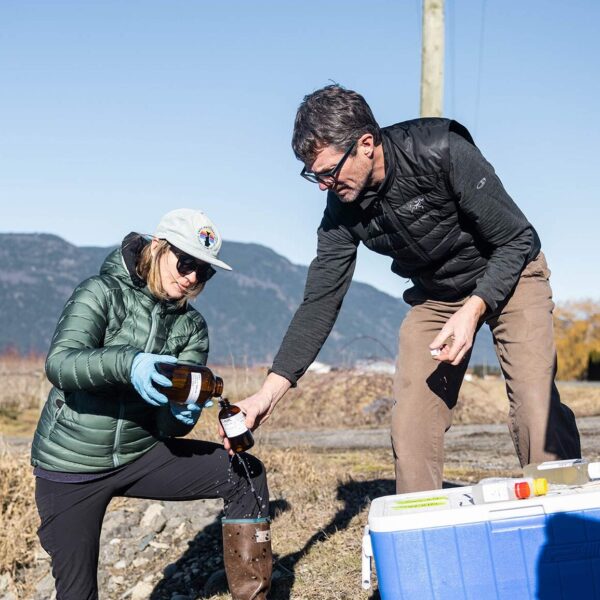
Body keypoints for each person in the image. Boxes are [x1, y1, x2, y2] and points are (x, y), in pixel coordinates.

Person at [227, 84, 582, 493]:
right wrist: (266, 396)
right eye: (313, 174)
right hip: (439, 296)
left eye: (328, 171)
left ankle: (565, 516)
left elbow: (517, 238)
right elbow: (320, 302)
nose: (322, 185)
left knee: (536, 408)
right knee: (412, 420)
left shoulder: (441, 150)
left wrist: (475, 308)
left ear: (365, 144)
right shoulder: (341, 212)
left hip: (513, 273)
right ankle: (419, 533)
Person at [31, 208, 272, 600]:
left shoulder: (191, 326)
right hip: (70, 466)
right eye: (187, 262)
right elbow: (60, 363)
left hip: (139, 453)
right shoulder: (101, 292)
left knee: (244, 471)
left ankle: (252, 591)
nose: (193, 277)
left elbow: (172, 425)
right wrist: (129, 362)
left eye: (204, 272)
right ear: (159, 248)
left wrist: (181, 414)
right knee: (76, 593)